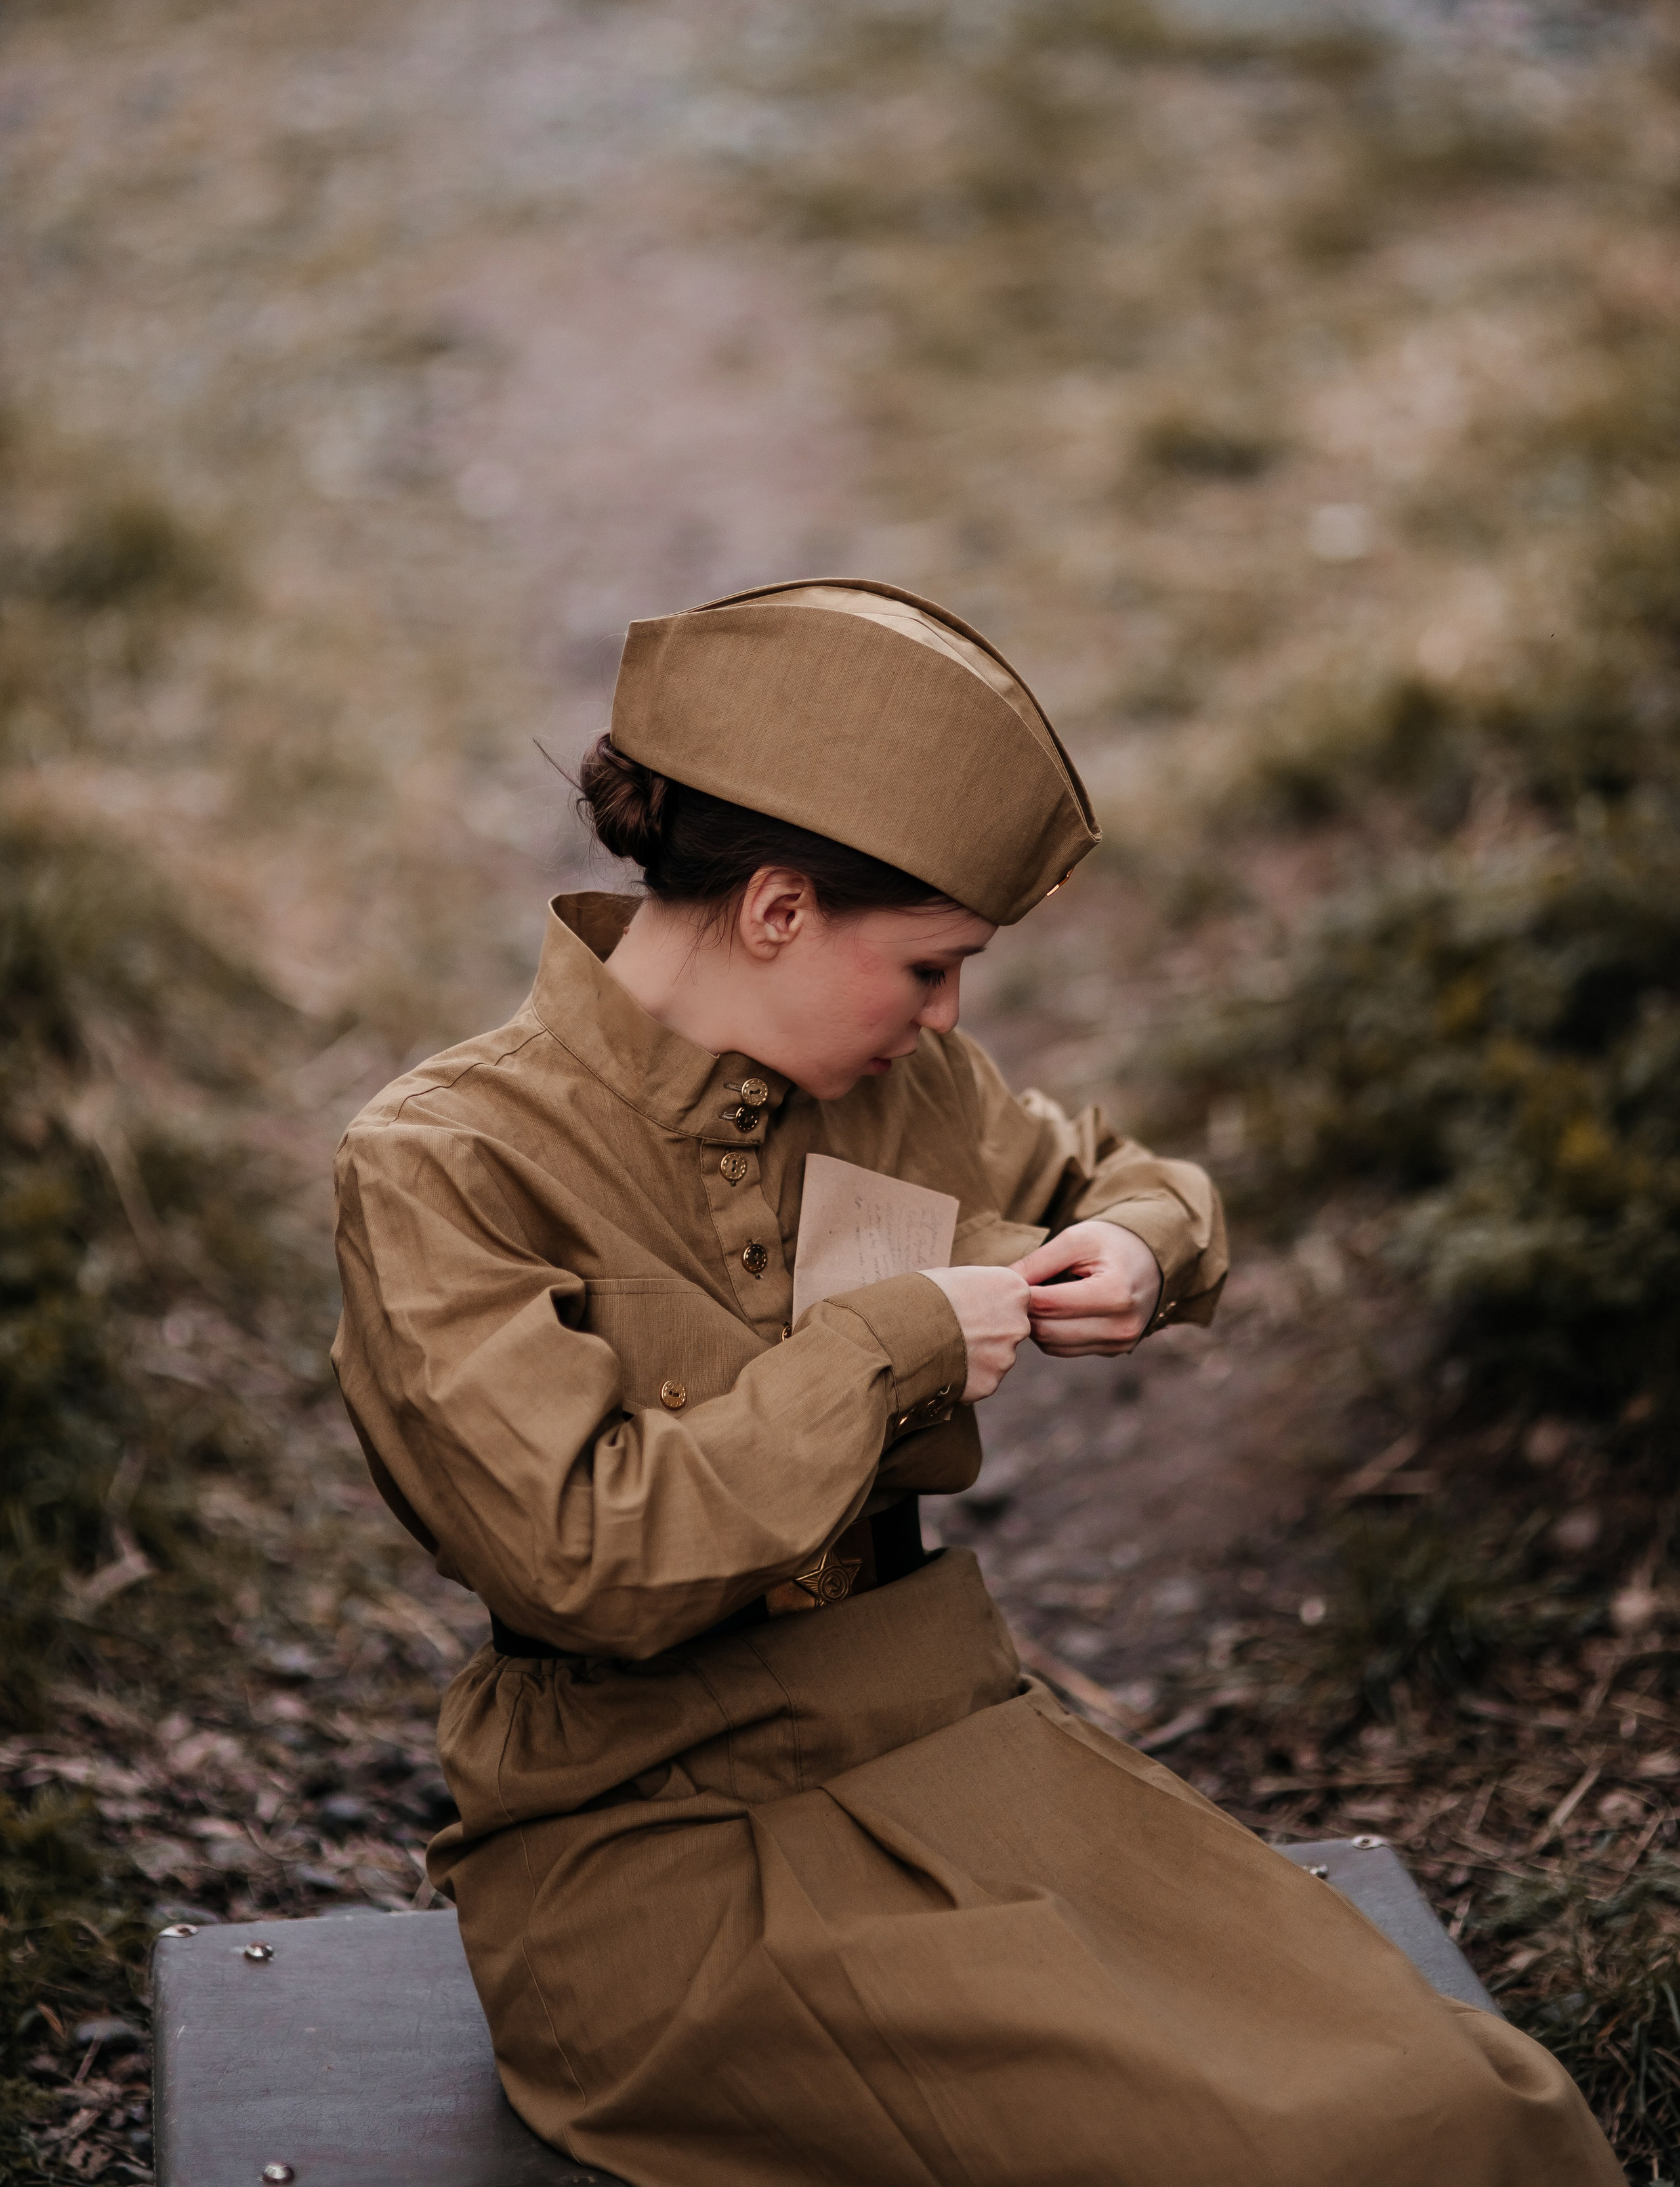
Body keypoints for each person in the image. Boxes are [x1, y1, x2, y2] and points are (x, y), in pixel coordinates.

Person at [331, 579, 1622, 2187]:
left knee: (1459, 2103)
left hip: (939, 1723)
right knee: (1272, 2150)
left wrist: (1146, 1251)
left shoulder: (906, 1085)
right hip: (643, 1842)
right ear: (779, 908)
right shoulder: (444, 1164)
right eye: (929, 966)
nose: (948, 1016)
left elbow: (1132, 1181)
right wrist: (894, 1341)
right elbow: (582, 1556)